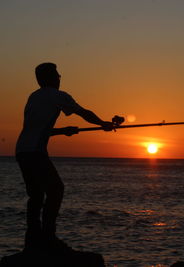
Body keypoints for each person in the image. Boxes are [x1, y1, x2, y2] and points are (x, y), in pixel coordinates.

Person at [16, 62, 114, 253]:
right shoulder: (57, 96)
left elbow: (37, 129)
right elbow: (83, 112)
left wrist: (63, 131)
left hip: (22, 151)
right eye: (57, 75)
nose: (60, 77)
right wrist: (103, 124)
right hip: (35, 152)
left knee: (35, 196)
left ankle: (33, 241)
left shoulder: (33, 97)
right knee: (56, 190)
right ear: (50, 78)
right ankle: (48, 238)